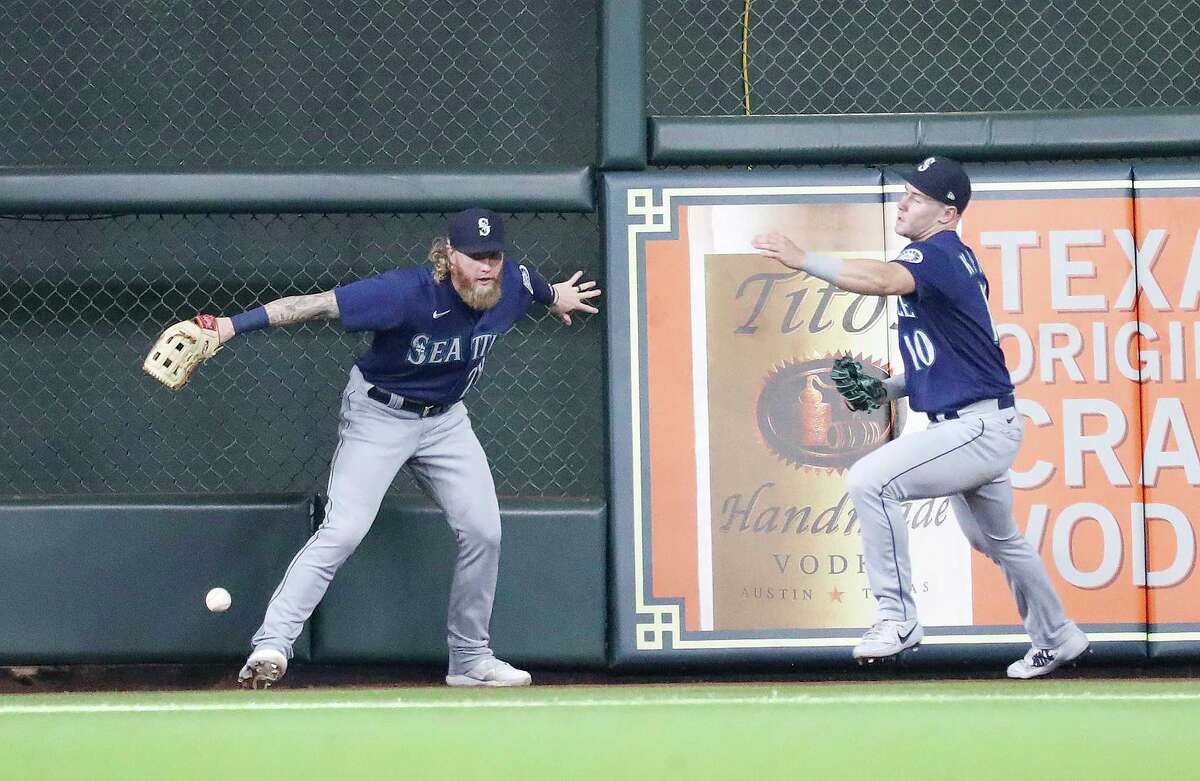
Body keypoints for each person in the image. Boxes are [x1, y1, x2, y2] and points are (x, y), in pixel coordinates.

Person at [217, 207, 600, 688]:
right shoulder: (403, 292)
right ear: (447, 255)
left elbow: (537, 286)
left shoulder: (514, 283)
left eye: (493, 255)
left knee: (484, 532)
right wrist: (229, 326)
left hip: (446, 422)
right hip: (379, 414)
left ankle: (469, 660)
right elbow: (313, 305)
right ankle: (272, 645)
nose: (486, 266)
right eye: (474, 256)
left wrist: (558, 297)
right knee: (345, 530)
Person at [752, 156, 1088, 679]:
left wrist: (805, 259)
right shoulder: (954, 260)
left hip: (974, 429)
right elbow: (955, 361)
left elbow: (883, 280)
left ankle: (898, 618)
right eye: (905, 191)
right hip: (982, 420)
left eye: (918, 196)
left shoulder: (936, 253)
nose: (904, 202)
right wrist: (888, 389)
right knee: (997, 542)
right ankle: (1058, 635)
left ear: (946, 213)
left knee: (871, 479)